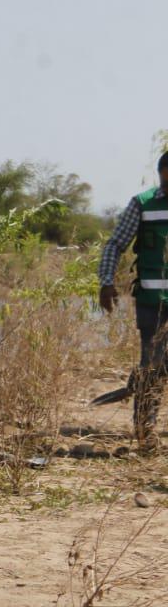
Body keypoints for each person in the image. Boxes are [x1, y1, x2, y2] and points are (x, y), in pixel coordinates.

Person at [98, 152, 168, 452]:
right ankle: (145, 432)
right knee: (152, 365)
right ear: (162, 173)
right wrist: (106, 282)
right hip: (152, 301)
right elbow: (115, 244)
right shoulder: (142, 204)